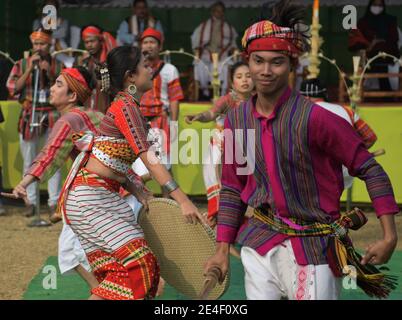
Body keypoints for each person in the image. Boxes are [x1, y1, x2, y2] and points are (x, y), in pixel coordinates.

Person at [204, 0, 399, 300]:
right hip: (260, 244)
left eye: (276, 61)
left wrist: (389, 235)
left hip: (315, 248)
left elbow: (369, 168)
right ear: (247, 61)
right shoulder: (235, 120)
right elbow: (232, 187)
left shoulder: (318, 118)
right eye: (258, 61)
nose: (266, 70)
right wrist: (220, 250)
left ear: (292, 65)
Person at [57, 46, 204, 300]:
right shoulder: (125, 107)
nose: (151, 69)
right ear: (131, 77)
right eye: (145, 65)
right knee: (141, 266)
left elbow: (112, 159)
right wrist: (183, 201)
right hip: (90, 199)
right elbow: (148, 157)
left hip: (100, 197)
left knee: (123, 274)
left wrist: (138, 190)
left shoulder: (127, 106)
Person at [4, 66, 102, 288]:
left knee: (76, 253)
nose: (51, 89)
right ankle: (102, 291)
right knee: (72, 251)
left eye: (58, 85)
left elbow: (50, 155)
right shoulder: (93, 114)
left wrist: (24, 183)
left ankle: (105, 292)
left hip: (99, 198)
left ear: (73, 95)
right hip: (104, 194)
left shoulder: (68, 120)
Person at [185, 61, 254, 224]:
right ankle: (215, 221)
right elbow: (210, 114)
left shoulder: (258, 101)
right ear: (232, 82)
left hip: (246, 148)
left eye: (248, 76)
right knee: (222, 189)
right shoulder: (228, 100)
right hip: (222, 147)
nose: (244, 80)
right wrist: (198, 117)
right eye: (239, 77)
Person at [6, 28, 62, 217]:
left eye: (43, 44)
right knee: (29, 160)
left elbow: (66, 90)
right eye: (36, 44)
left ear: (49, 45)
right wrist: (30, 68)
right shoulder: (21, 64)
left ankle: (54, 202)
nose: (39, 48)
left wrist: (50, 74)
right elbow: (13, 88)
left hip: (52, 114)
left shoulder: (58, 65)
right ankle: (30, 201)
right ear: (32, 45)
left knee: (52, 160)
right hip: (30, 113)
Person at [300, 78, 378, 189]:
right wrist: (355, 153)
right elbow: (370, 137)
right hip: (346, 170)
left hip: (316, 171)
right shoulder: (347, 110)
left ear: (306, 97)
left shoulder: (303, 113)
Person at [140, 27, 184, 174]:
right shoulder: (136, 69)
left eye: (152, 42)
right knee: (137, 171)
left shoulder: (169, 69)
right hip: (139, 124)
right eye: (145, 42)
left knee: (164, 169)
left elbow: (174, 99)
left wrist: (174, 126)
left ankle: (168, 198)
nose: (148, 46)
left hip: (160, 123)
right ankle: (141, 198)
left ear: (160, 46)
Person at [348, 0, 400, 91]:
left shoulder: (390, 20)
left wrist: (379, 42)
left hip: (385, 54)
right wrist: (371, 44)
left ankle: (356, 91)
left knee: (380, 61)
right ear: (370, 6)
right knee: (376, 65)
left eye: (380, 5)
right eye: (375, 5)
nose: (377, 7)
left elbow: (394, 39)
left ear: (383, 7)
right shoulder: (363, 22)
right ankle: (386, 94)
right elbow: (356, 40)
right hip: (367, 54)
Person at [191, 1, 238, 98]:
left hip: (222, 56)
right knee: (199, 65)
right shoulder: (203, 27)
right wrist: (197, 53)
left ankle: (223, 95)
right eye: (217, 11)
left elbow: (233, 44)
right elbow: (196, 42)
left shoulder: (228, 27)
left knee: (226, 66)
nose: (219, 13)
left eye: (221, 11)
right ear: (212, 12)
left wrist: (234, 52)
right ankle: (205, 92)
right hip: (206, 56)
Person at [78, 25, 117, 113]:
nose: (89, 45)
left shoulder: (109, 61)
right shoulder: (85, 61)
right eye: (86, 42)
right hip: (88, 108)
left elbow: (108, 87)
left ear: (100, 41)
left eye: (92, 41)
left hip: (105, 106)